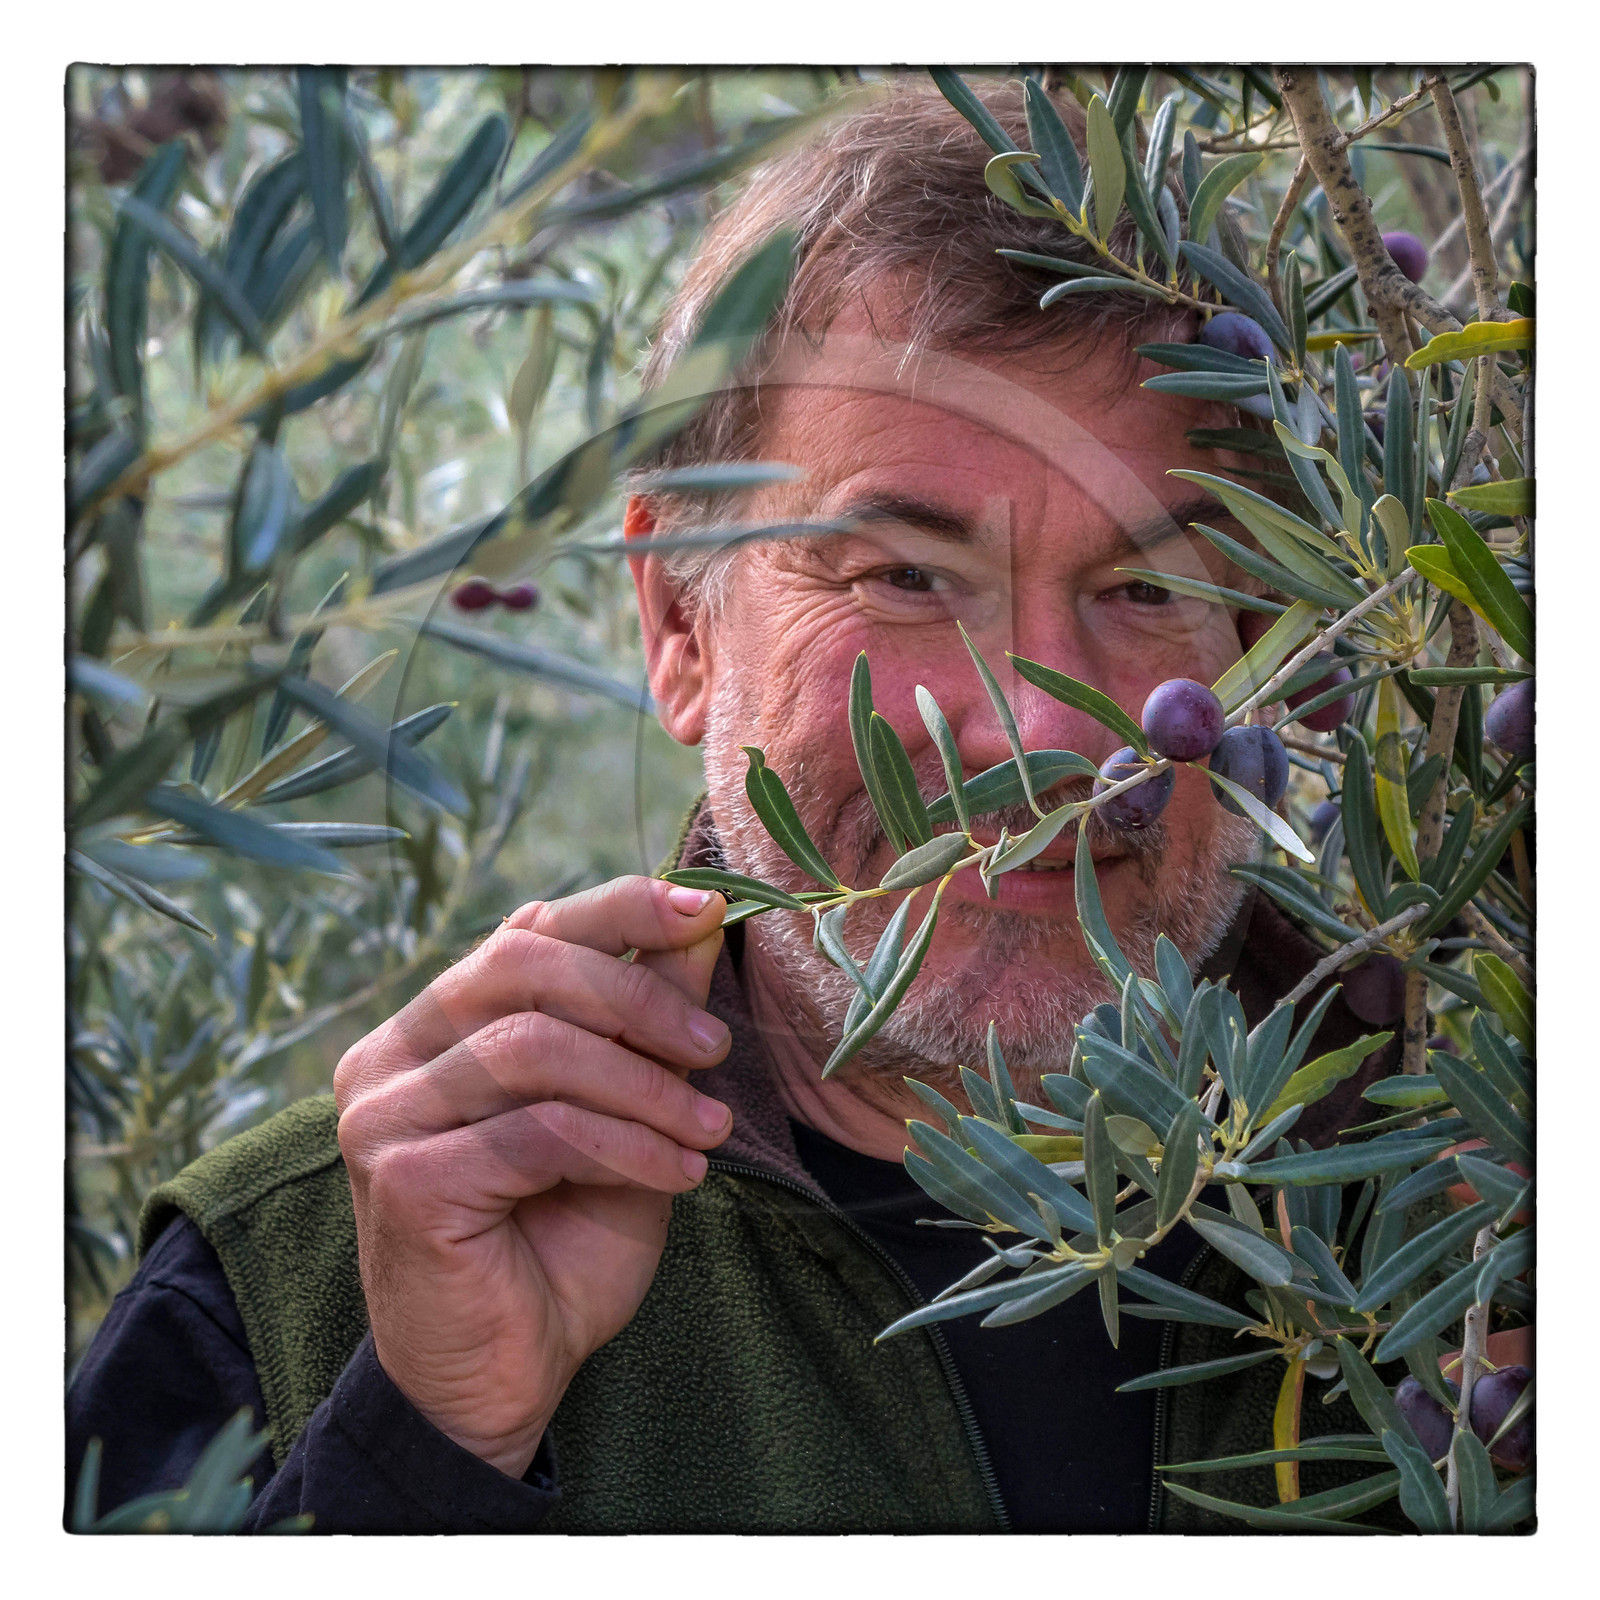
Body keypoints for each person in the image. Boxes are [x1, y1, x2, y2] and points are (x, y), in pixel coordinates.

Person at [67, 77, 1401, 1534]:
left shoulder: (1471, 1178)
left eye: (1150, 589)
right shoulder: (288, 1292)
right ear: (679, 629)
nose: (1035, 732)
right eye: (904, 576)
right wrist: (431, 1448)